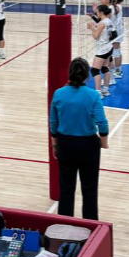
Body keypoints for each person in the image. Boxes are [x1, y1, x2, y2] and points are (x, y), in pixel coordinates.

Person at [50, 57, 110, 220]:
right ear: (86, 76)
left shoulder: (59, 93)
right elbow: (102, 123)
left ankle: (64, 225)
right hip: (88, 146)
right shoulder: (93, 95)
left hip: (65, 144)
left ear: (70, 74)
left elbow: (53, 123)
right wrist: (103, 143)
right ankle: (90, 226)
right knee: (89, 189)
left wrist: (55, 146)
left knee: (66, 189)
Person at [88, 3, 115, 97]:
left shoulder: (102, 23)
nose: (96, 13)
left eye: (97, 11)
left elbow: (96, 36)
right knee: (104, 68)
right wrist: (96, 27)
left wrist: (92, 28)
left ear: (101, 12)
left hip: (102, 50)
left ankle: (98, 92)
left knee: (95, 70)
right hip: (109, 48)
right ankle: (105, 90)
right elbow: (105, 32)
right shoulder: (109, 21)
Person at [110, 0, 126, 80]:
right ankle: (118, 70)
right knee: (117, 51)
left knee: (115, 51)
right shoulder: (118, 6)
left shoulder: (115, 7)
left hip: (115, 32)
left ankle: (117, 72)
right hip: (118, 32)